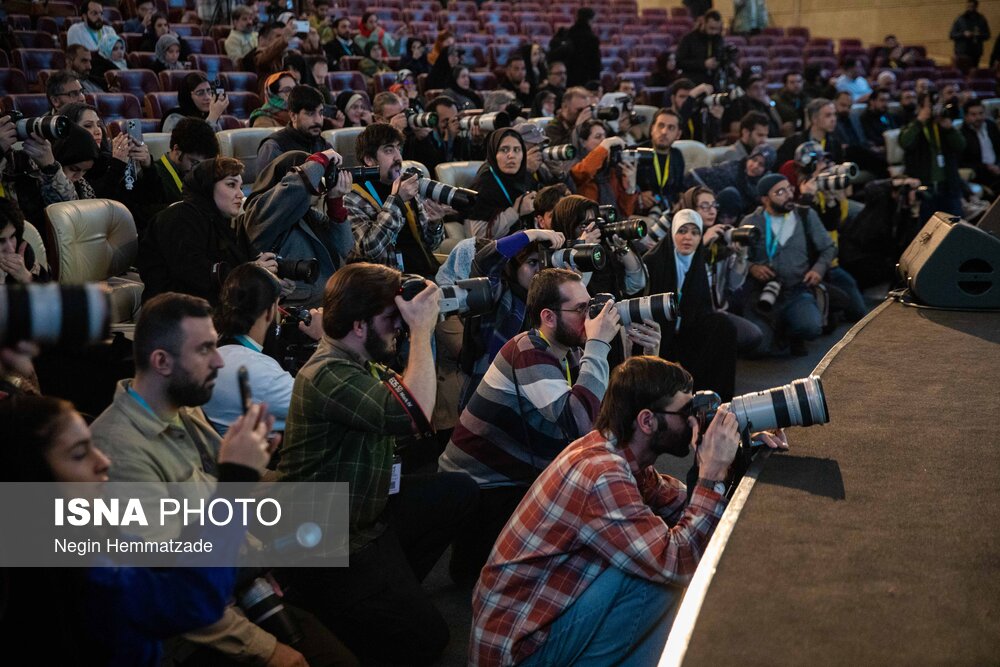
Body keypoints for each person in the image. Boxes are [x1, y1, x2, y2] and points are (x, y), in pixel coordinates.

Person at [89, 292, 357, 667]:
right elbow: (177, 594)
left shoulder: (181, 410)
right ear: (162, 361)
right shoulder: (118, 455)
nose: (218, 361)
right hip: (193, 633)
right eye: (204, 350)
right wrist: (269, 651)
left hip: (235, 583)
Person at [470, 355, 788, 666]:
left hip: (538, 625)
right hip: (520, 652)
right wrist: (712, 474)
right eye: (686, 411)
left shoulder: (619, 455)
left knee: (652, 556)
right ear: (647, 420)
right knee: (658, 576)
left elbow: (685, 505)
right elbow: (678, 560)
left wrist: (734, 459)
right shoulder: (601, 474)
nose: (695, 420)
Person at [274, 263, 479, 666]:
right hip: (331, 540)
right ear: (359, 325)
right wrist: (423, 330)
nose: (399, 328)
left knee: (459, 492)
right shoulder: (327, 374)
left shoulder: (355, 359)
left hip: (367, 517)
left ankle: (384, 596)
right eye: (391, 319)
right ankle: (342, 609)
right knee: (429, 640)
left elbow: (405, 392)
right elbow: (415, 412)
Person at [0, 393, 277, 666]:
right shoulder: (85, 574)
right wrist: (234, 483)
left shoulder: (86, 534)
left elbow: (166, 560)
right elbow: (187, 599)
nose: (103, 462)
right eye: (79, 454)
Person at [440, 267, 628, 585]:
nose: (592, 315)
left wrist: (640, 352)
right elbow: (578, 422)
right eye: (581, 309)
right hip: (482, 486)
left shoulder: (567, 352)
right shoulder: (529, 353)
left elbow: (600, 419)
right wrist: (599, 344)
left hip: (517, 472)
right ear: (548, 317)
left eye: (590, 304)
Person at [202, 263, 325, 433]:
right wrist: (323, 339)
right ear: (270, 311)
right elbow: (325, 407)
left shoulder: (208, 356)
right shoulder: (263, 374)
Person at [138, 158, 265, 305]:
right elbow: (196, 273)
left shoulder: (224, 222)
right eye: (231, 185)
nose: (240, 194)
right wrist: (252, 273)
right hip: (173, 314)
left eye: (240, 187)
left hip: (211, 309)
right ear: (208, 187)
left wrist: (268, 278)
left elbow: (246, 263)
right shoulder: (179, 217)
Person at [241, 149, 355, 306]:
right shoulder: (260, 214)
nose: (317, 187)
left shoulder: (308, 214)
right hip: (298, 311)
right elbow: (296, 188)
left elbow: (344, 247)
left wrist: (335, 202)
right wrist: (320, 159)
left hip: (330, 302)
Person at [743, 173, 838, 356]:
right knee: (758, 348)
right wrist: (752, 267)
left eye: (789, 189)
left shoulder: (805, 215)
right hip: (761, 292)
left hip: (797, 288)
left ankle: (791, 331)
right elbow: (736, 259)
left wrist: (818, 269)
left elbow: (828, 247)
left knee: (811, 327)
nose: (788, 195)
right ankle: (776, 330)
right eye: (780, 192)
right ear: (765, 199)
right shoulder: (751, 222)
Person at [345, 123, 445, 275]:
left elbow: (431, 245)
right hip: (386, 283)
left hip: (425, 273)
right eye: (389, 150)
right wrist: (397, 201)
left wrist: (435, 223)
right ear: (369, 160)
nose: (398, 157)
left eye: (399, 149)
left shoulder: (406, 185)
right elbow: (369, 250)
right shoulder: (352, 197)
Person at [677, 186, 762, 355]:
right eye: (705, 206)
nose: (712, 211)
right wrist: (701, 243)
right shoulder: (680, 236)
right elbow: (680, 275)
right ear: (691, 209)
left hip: (716, 311)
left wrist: (740, 257)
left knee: (754, 336)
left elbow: (733, 285)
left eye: (714, 205)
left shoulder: (721, 238)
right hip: (686, 313)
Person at [899, 91, 966, 220]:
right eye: (931, 105)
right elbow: (904, 142)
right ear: (920, 107)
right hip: (924, 188)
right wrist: (919, 121)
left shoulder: (944, 125)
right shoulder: (913, 124)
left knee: (955, 228)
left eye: (939, 104)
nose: (936, 109)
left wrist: (949, 128)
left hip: (948, 186)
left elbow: (961, 146)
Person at [465, 128, 537, 240]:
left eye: (517, 150)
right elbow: (479, 236)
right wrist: (515, 212)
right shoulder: (485, 184)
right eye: (504, 150)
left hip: (527, 247)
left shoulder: (527, 178)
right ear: (494, 153)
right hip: (498, 253)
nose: (511, 155)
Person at [148, 117, 220, 220]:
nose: (197, 170)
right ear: (176, 150)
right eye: (194, 162)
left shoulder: (199, 176)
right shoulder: (154, 175)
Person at [570, 121, 639, 218]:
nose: (603, 141)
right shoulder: (574, 165)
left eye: (605, 137)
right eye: (598, 137)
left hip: (613, 225)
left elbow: (625, 212)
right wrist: (606, 144)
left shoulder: (611, 171)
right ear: (583, 142)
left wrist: (630, 188)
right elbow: (585, 171)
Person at [686, 143, 776, 216]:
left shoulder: (766, 183)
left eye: (761, 164)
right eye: (754, 160)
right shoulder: (732, 170)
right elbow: (695, 175)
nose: (755, 166)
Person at [256, 85, 329, 167]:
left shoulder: (324, 145)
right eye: (310, 114)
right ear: (293, 116)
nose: (318, 120)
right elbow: (265, 180)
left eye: (321, 113)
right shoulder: (273, 147)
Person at [635, 108, 687, 214]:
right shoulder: (636, 152)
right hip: (642, 213)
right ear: (652, 129)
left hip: (669, 212)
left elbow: (680, 188)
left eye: (671, 128)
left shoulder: (677, 155)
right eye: (660, 125)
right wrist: (637, 197)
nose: (664, 132)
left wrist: (682, 201)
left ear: (678, 135)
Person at [776, 97, 845, 167]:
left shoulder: (835, 143)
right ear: (814, 119)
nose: (833, 119)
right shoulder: (793, 142)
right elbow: (781, 167)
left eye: (834, 114)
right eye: (828, 115)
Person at [0, 197, 49, 285]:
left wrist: (27, 278)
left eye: (12, 236)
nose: (11, 249)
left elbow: (49, 295)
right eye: (1, 241)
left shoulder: (22, 250)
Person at [160, 73, 229, 133]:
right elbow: (190, 145)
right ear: (188, 96)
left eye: (209, 91)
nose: (207, 97)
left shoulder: (208, 114)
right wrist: (213, 117)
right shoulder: (174, 119)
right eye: (200, 93)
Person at [676, 10, 727, 87]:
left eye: (717, 29)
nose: (714, 32)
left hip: (713, 82)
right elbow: (680, 62)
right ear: (704, 23)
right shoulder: (688, 39)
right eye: (711, 28)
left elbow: (720, 58)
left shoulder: (718, 39)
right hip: (693, 81)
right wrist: (703, 64)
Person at [960, 98, 1000, 195]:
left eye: (981, 113)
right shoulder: (962, 135)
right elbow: (962, 163)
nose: (978, 117)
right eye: (973, 114)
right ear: (966, 116)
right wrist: (987, 167)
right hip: (981, 175)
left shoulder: (991, 126)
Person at [724, 73, 782, 138]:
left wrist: (770, 106)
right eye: (755, 88)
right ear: (747, 90)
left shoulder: (764, 103)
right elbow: (735, 128)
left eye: (762, 88)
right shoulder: (739, 103)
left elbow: (779, 125)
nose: (760, 91)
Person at [950, 0, 991, 73]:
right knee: (961, 73)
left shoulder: (981, 19)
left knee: (974, 73)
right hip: (962, 53)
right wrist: (963, 34)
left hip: (975, 52)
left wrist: (978, 35)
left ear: (976, 7)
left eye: (972, 6)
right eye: (968, 6)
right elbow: (952, 35)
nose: (970, 8)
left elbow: (987, 35)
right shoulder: (960, 19)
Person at [565, 8, 601, 87]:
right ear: (590, 20)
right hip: (585, 78)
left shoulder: (568, 34)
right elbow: (595, 63)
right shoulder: (592, 38)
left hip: (569, 75)